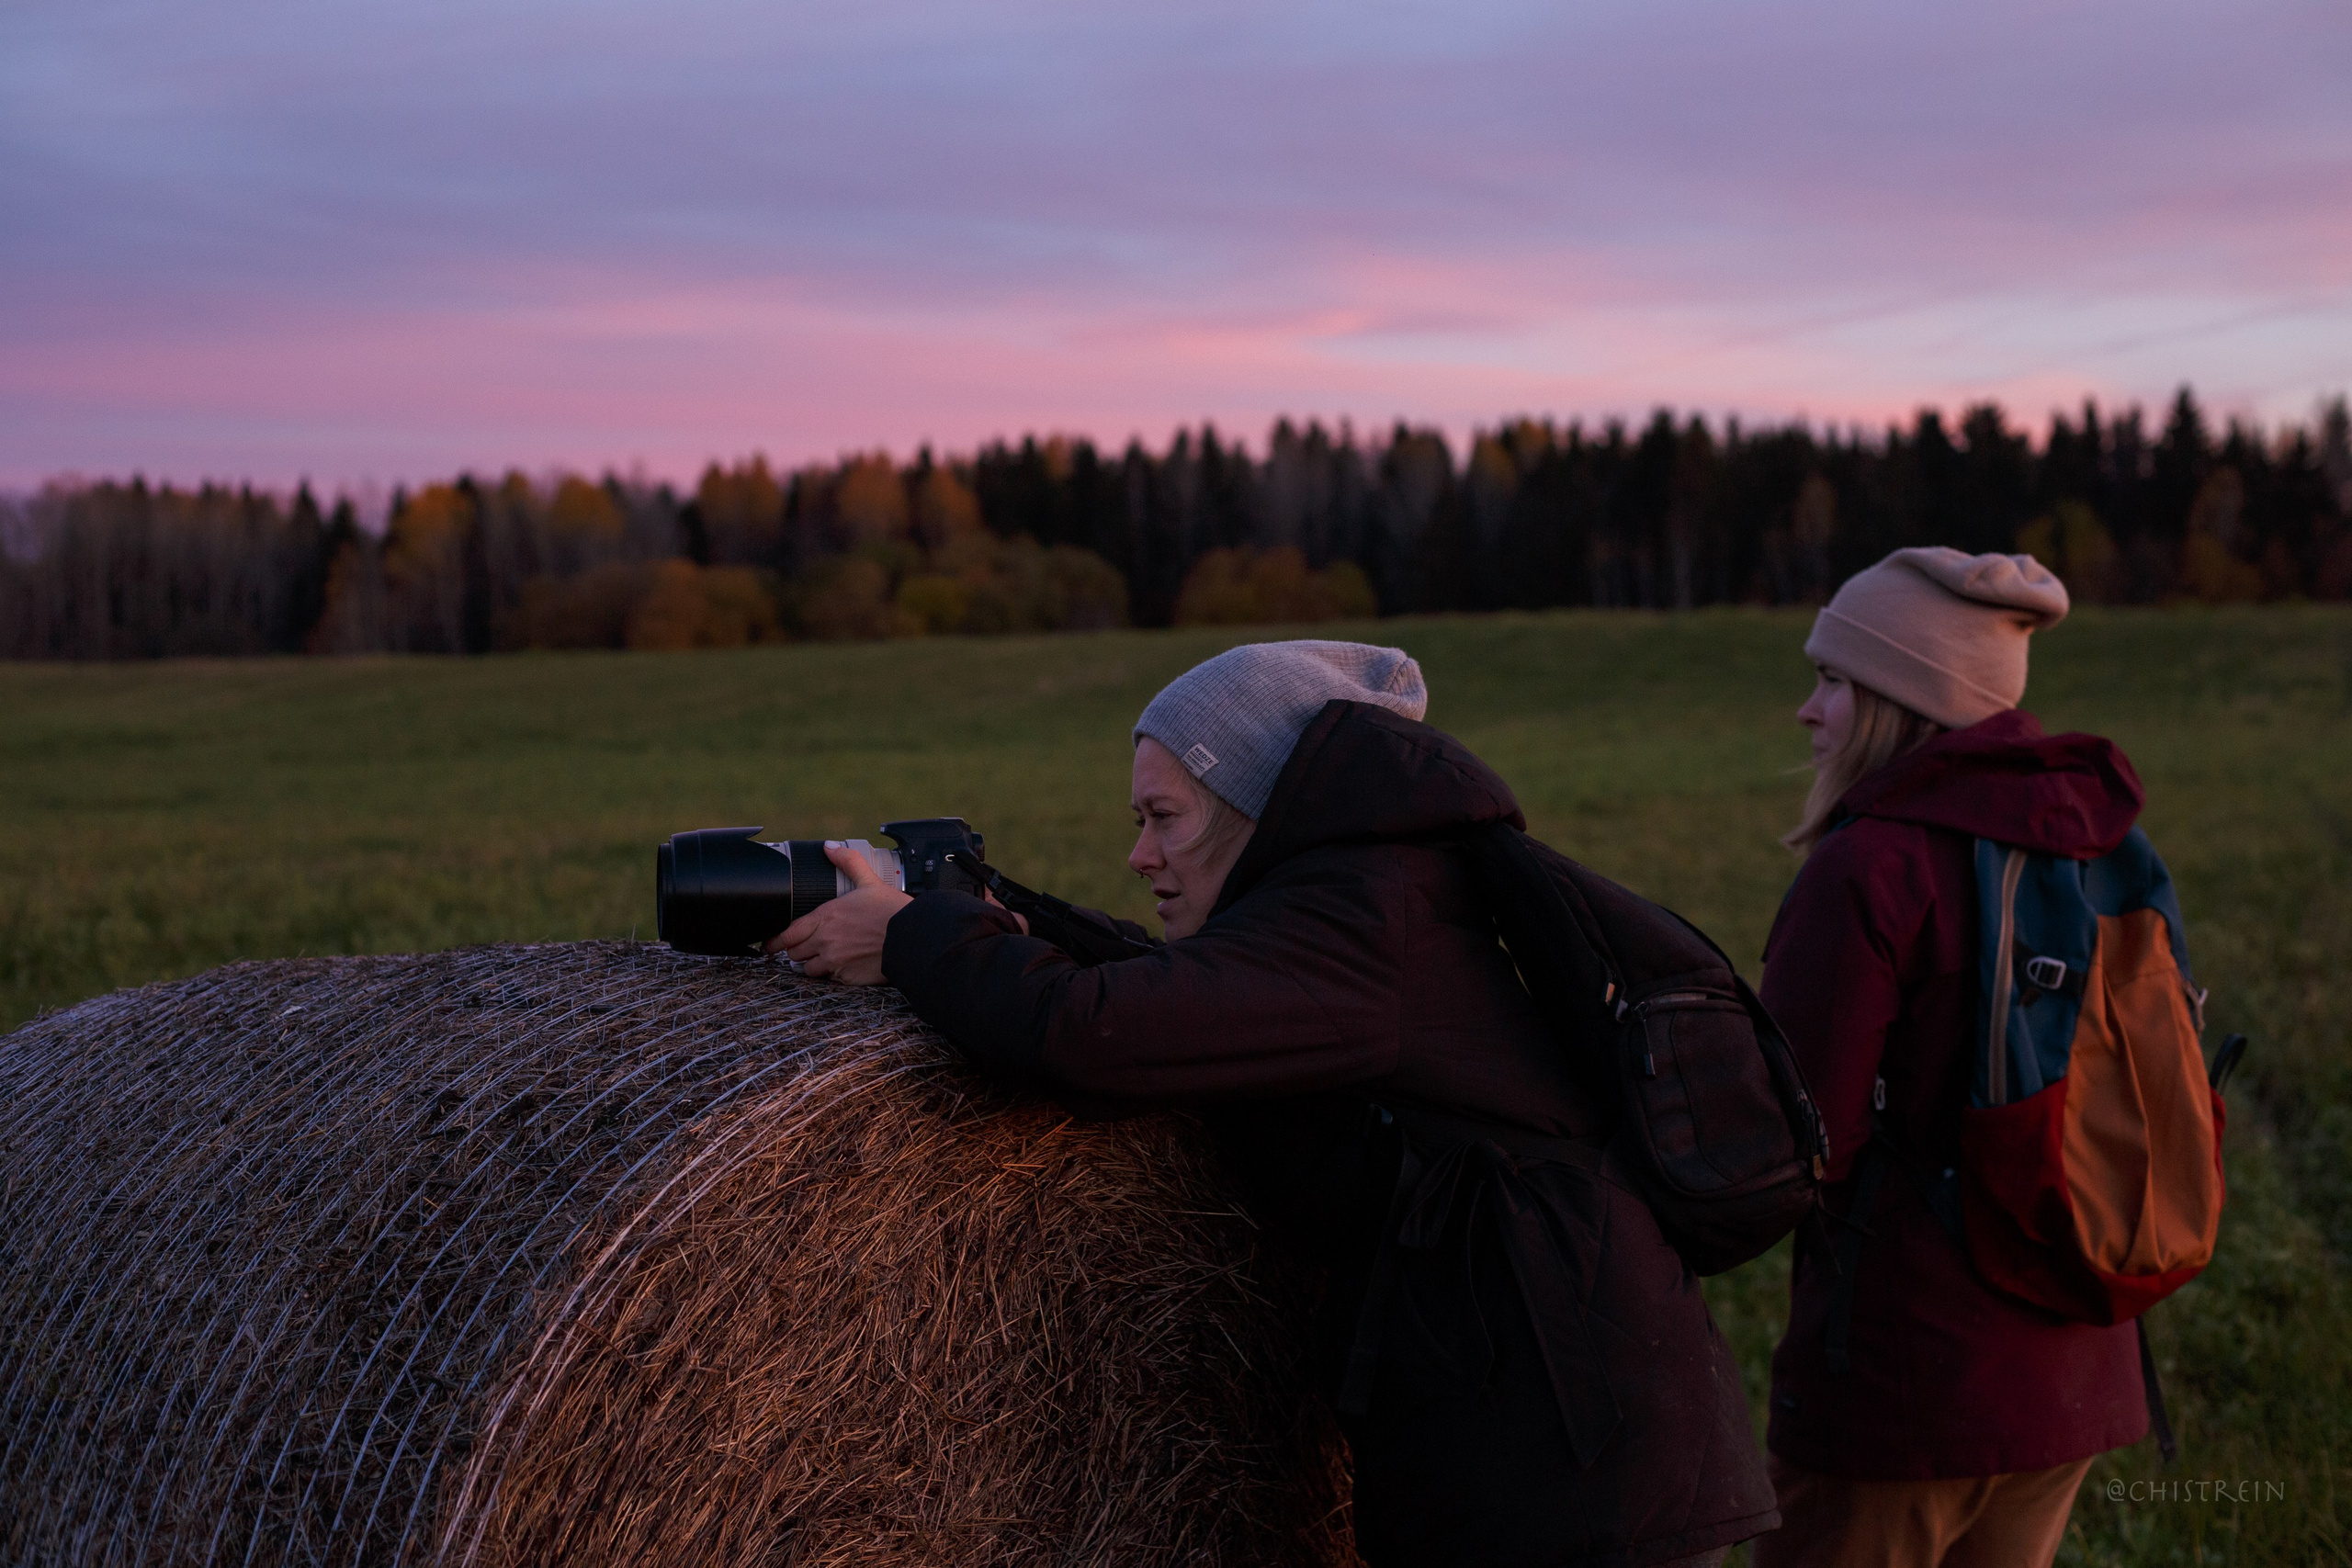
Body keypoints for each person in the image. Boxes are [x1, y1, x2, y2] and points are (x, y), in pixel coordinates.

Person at [774, 639, 1775, 1568]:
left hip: (1574, 1468)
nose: (1140, 855)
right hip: (1546, 1438)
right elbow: (1171, 992)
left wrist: (909, 940)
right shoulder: (1363, 898)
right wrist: (995, 914)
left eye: (1164, 818)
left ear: (1255, 807)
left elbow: (1088, 1036)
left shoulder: (1364, 916)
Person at [1753, 549, 2151, 1568]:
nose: (1808, 710)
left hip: (1902, 1388)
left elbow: (1797, 1145)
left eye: (1833, 680)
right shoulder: (2091, 839)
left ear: (1899, 699)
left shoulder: (1868, 868)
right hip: (2073, 1372)